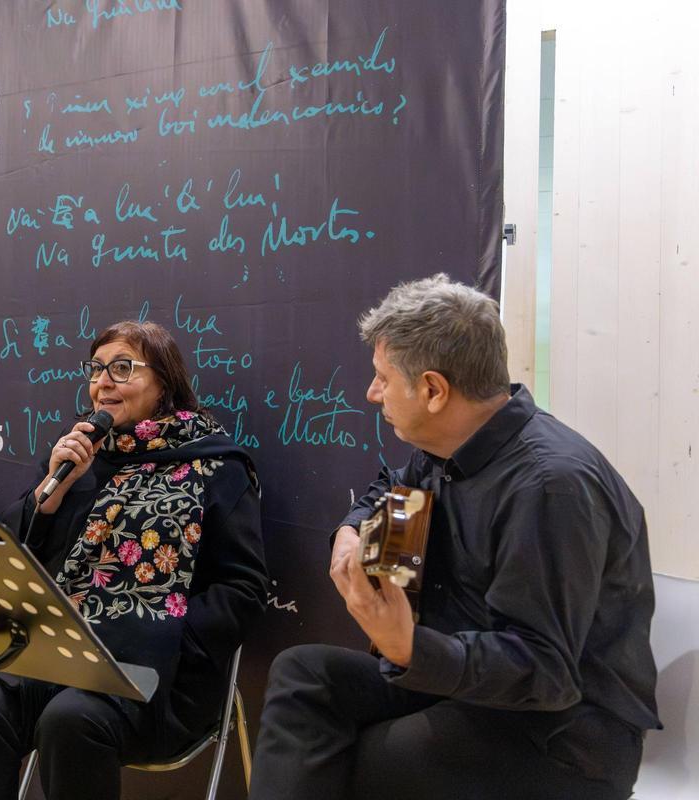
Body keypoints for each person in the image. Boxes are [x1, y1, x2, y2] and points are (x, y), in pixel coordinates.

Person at [250, 274, 659, 800]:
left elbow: (548, 673)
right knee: (304, 676)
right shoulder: (445, 444)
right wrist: (352, 531)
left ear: (434, 389)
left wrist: (410, 647)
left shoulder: (550, 488)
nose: (370, 393)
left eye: (382, 378)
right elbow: (392, 490)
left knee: (358, 763)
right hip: (460, 681)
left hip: (560, 736)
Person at [0, 320, 268, 800]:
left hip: (156, 677)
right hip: (58, 658)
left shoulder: (217, 466)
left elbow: (243, 589)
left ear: (164, 382)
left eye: (122, 368)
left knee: (71, 718)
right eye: (96, 369)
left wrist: (163, 636)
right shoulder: (80, 458)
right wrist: (49, 495)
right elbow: (14, 559)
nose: (102, 382)